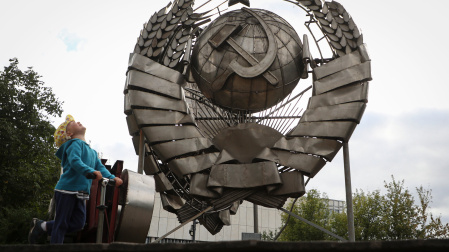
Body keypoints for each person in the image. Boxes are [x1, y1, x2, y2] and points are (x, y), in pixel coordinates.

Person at [28, 115, 123, 244]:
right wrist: (90, 171)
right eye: (72, 123)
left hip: (81, 192)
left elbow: (100, 168)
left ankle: (42, 226)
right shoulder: (74, 144)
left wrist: (113, 178)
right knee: (61, 224)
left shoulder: (92, 152)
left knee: (79, 224)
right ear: (69, 133)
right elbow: (75, 161)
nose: (77, 121)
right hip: (66, 190)